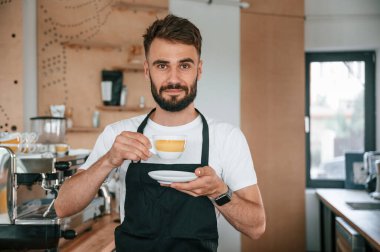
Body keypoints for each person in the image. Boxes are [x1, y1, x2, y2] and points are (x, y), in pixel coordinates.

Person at [55, 14, 265, 252]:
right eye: (162, 65)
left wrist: (219, 191)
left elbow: (256, 227)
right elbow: (62, 207)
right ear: (147, 70)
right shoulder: (119, 134)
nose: (173, 79)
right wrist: (108, 160)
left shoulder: (227, 138)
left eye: (184, 66)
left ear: (199, 69)